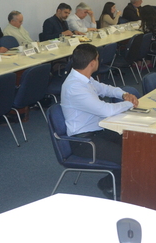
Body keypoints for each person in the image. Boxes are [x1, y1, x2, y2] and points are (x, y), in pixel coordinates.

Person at [60, 43, 139, 197]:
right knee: (128, 155)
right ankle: (110, 187)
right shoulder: (74, 87)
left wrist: (123, 95)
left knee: (134, 143)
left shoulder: (83, 78)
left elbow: (105, 88)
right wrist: (129, 103)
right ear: (92, 63)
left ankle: (115, 180)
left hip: (98, 130)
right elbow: (105, 110)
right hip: (83, 141)